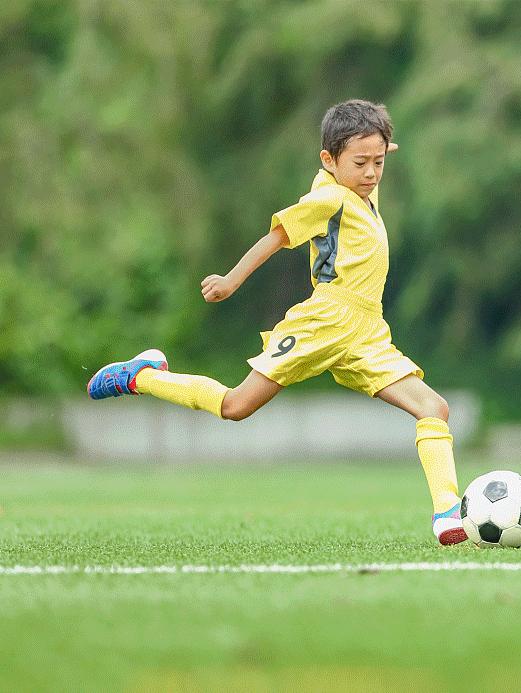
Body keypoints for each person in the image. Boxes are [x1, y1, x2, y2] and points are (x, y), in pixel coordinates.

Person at [86, 99, 467, 546]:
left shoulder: (360, 186)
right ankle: (143, 376)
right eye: (361, 163)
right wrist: (230, 280)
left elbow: (367, 153)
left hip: (367, 332)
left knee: (433, 408)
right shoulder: (327, 197)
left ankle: (446, 514)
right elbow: (276, 238)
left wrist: (376, 139)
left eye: (379, 162)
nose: (371, 173)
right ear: (329, 160)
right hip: (323, 320)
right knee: (236, 406)